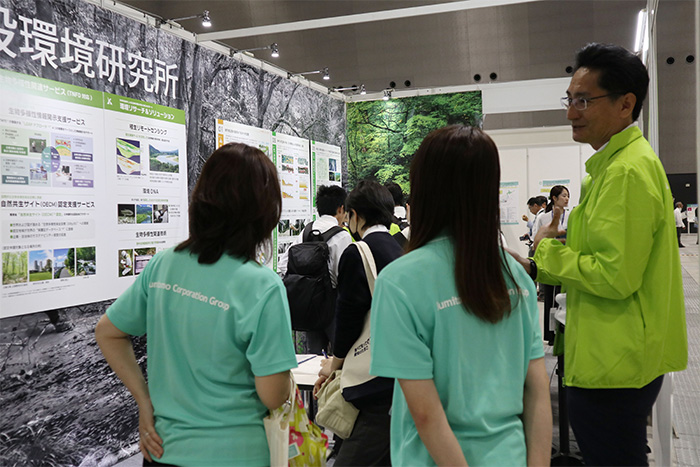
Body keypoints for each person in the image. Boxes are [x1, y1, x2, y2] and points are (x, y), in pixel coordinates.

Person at [515, 43, 687, 466]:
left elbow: (614, 275)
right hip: (615, 353)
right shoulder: (614, 167)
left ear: (626, 104)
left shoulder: (626, 171)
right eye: (569, 99)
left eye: (583, 100)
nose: (571, 112)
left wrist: (545, 257)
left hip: (616, 361)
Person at [95, 143, 297, 466]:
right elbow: (272, 395)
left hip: (163, 451)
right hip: (235, 455)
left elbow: (108, 332)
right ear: (263, 212)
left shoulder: (163, 266)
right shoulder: (263, 286)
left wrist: (144, 402)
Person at [369, 125, 552, 466]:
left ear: (423, 190)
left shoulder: (399, 282)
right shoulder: (515, 278)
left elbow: (425, 414)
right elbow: (537, 390)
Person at [315, 180, 402, 466]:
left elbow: (349, 315)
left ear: (355, 215)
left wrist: (334, 364)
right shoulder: (400, 246)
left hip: (372, 383)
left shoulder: (359, 252)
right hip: (400, 371)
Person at [278, 185, 353, 354]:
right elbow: (344, 274)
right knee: (340, 357)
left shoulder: (305, 231)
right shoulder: (342, 235)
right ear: (341, 208)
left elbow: (283, 265)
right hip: (333, 308)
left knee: (313, 358)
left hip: (309, 305)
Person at [533, 185, 570, 345]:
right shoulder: (543, 217)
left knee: (563, 298)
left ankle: (563, 334)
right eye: (563, 196)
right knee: (549, 298)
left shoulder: (572, 216)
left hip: (566, 260)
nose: (567, 199)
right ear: (554, 198)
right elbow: (538, 239)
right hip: (549, 261)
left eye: (568, 196)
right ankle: (551, 335)